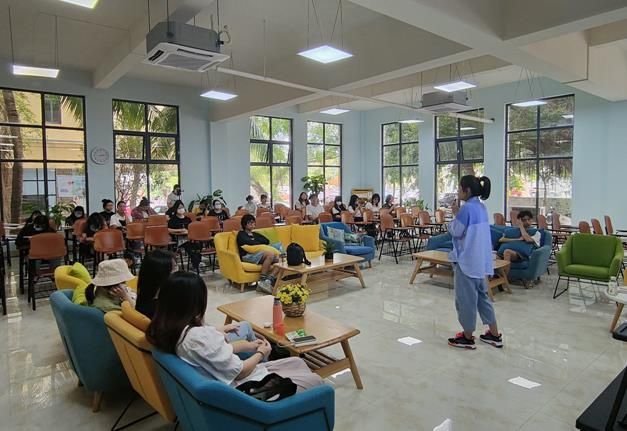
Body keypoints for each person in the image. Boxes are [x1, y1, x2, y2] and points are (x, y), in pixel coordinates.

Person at [146, 271, 324, 392]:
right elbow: (241, 371)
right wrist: (261, 352)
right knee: (317, 381)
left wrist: (247, 346)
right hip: (247, 387)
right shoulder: (197, 337)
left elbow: (212, 353)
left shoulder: (168, 329)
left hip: (232, 379)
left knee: (297, 362)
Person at [447, 175, 502, 350]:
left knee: (466, 301)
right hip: (480, 262)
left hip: (467, 262)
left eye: (459, 188)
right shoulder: (481, 207)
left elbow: (456, 231)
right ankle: (494, 334)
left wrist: (455, 214)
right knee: (483, 298)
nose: (458, 191)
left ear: (467, 190)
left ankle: (467, 337)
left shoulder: (466, 209)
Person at [236, 214, 281, 294]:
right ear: (244, 224)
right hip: (247, 256)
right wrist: (257, 242)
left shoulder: (255, 234)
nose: (252, 225)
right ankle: (262, 281)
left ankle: (268, 280)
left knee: (280, 259)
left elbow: (266, 240)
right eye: (250, 223)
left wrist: (255, 241)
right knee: (270, 254)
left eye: (253, 223)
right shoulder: (241, 234)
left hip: (258, 254)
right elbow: (248, 242)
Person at [135, 249, 176, 318]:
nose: (176, 272)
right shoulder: (155, 309)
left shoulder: (145, 293)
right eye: (172, 270)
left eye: (175, 267)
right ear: (160, 274)